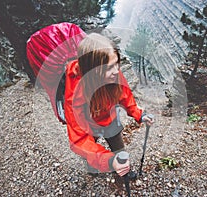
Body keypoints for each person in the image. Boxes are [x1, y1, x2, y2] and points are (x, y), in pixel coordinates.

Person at [64, 33, 154, 177]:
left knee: (119, 148)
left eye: (117, 63)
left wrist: (139, 114)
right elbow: (79, 138)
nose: (116, 71)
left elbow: (125, 95)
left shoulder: (113, 73)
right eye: (110, 67)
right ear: (92, 70)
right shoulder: (75, 93)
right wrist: (109, 161)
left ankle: (123, 171)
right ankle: (94, 167)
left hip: (110, 119)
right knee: (90, 148)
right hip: (89, 127)